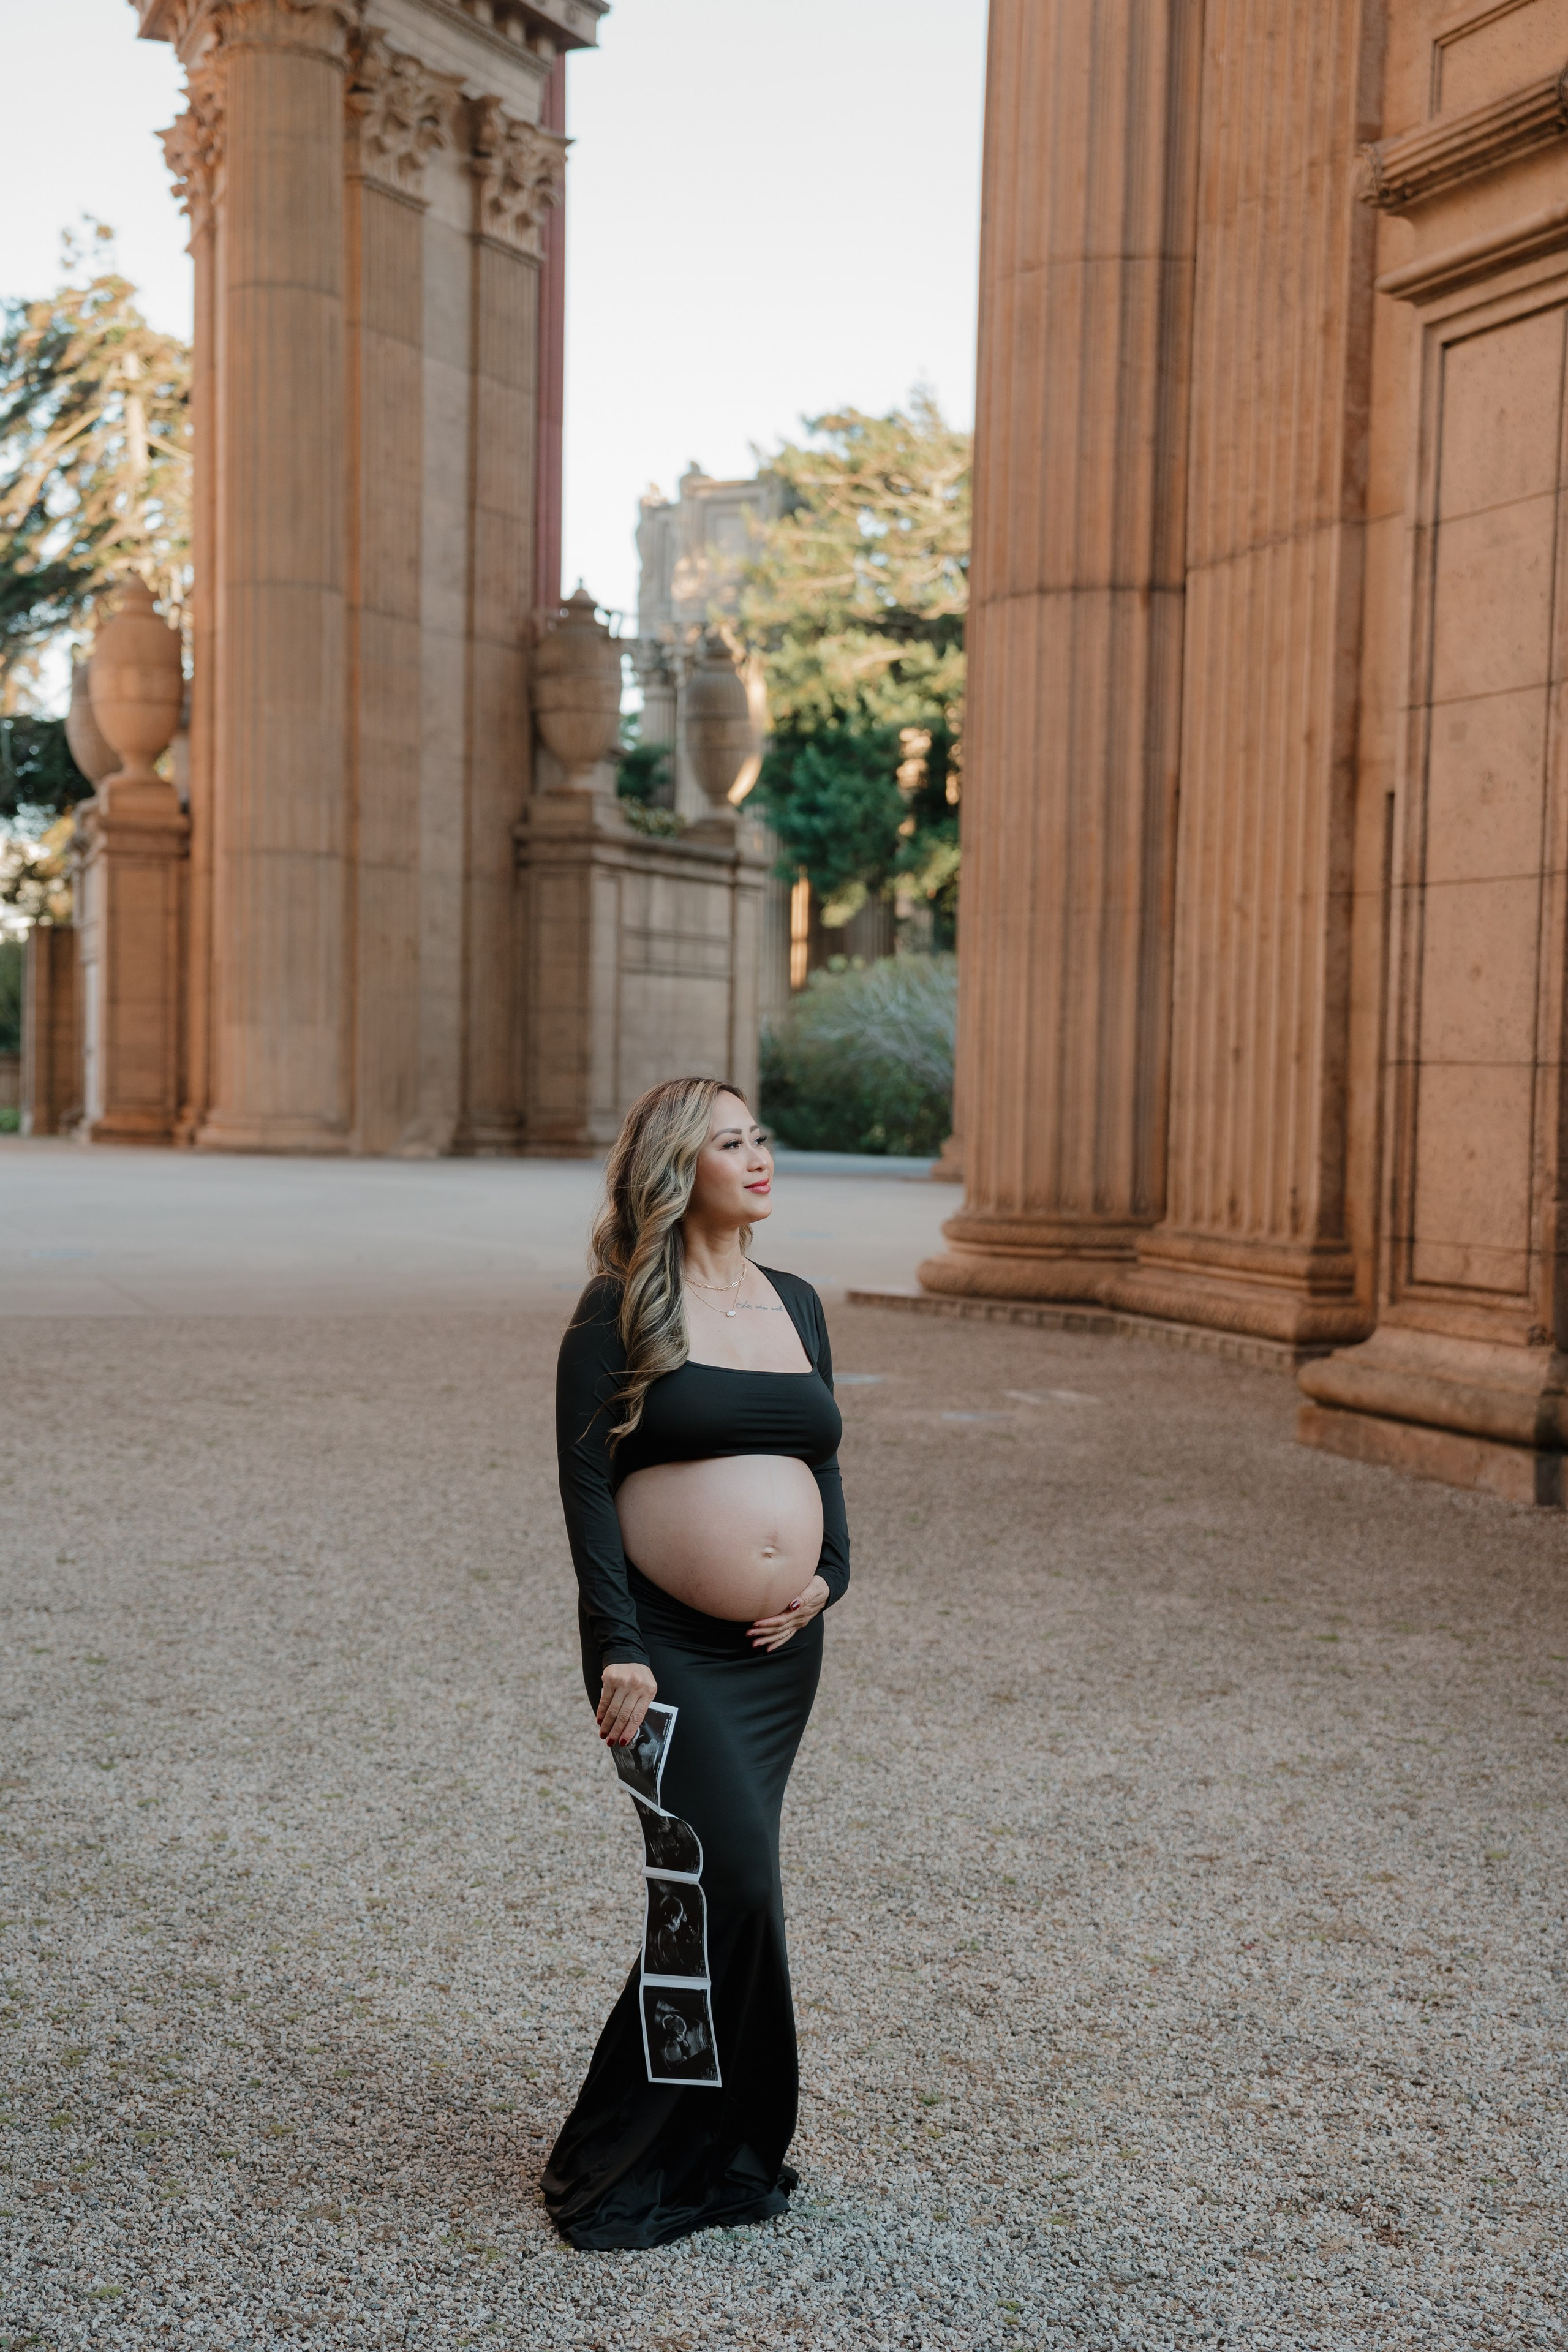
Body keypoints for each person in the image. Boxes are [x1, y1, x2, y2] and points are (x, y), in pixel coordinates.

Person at [543, 1076, 850, 2248]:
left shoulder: (799, 1303)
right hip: (661, 1653)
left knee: (713, 1895)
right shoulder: (618, 1305)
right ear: (678, 1168)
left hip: (778, 1657)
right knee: (729, 1888)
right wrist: (618, 1643)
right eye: (731, 1143)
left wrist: (831, 1576)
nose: (760, 1157)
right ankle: (630, 2149)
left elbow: (822, 1467)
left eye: (762, 1135)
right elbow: (584, 1490)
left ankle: (718, 2147)